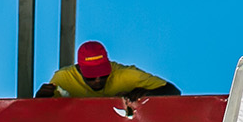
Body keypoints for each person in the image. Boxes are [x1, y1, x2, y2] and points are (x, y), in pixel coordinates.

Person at [36, 40, 180, 101]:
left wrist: (147, 94)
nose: (98, 81)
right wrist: (39, 100)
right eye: (91, 77)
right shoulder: (63, 79)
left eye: (103, 75)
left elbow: (174, 91)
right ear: (79, 69)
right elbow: (45, 116)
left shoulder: (126, 75)